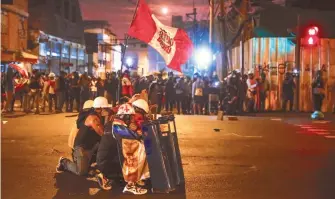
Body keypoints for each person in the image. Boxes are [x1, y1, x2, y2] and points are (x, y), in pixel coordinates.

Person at [56, 97, 111, 176]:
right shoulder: (93, 118)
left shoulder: (98, 116)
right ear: (100, 108)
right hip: (81, 148)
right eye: (106, 108)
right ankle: (64, 162)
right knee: (81, 172)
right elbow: (103, 133)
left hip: (91, 146)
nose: (108, 110)